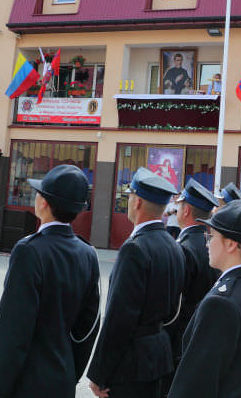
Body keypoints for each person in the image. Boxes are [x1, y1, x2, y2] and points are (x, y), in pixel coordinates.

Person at [0, 165, 100, 398]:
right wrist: (70, 372)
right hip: (62, 376)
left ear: (44, 202)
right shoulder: (87, 253)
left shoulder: (29, 250)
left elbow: (12, 330)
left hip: (27, 381)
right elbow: (88, 327)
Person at [87, 168, 185, 398]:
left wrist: (99, 373)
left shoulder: (135, 249)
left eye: (129, 196)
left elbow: (119, 319)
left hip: (130, 363)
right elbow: (173, 311)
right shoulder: (174, 246)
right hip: (158, 355)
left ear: (137, 202)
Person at [168, 199, 241, 397]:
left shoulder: (221, 302)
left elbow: (196, 381)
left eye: (211, 235)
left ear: (231, 244)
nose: (207, 242)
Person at [162, 179, 220, 395]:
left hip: (181, 339)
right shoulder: (211, 244)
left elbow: (175, 306)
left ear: (186, 210)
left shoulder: (184, 249)